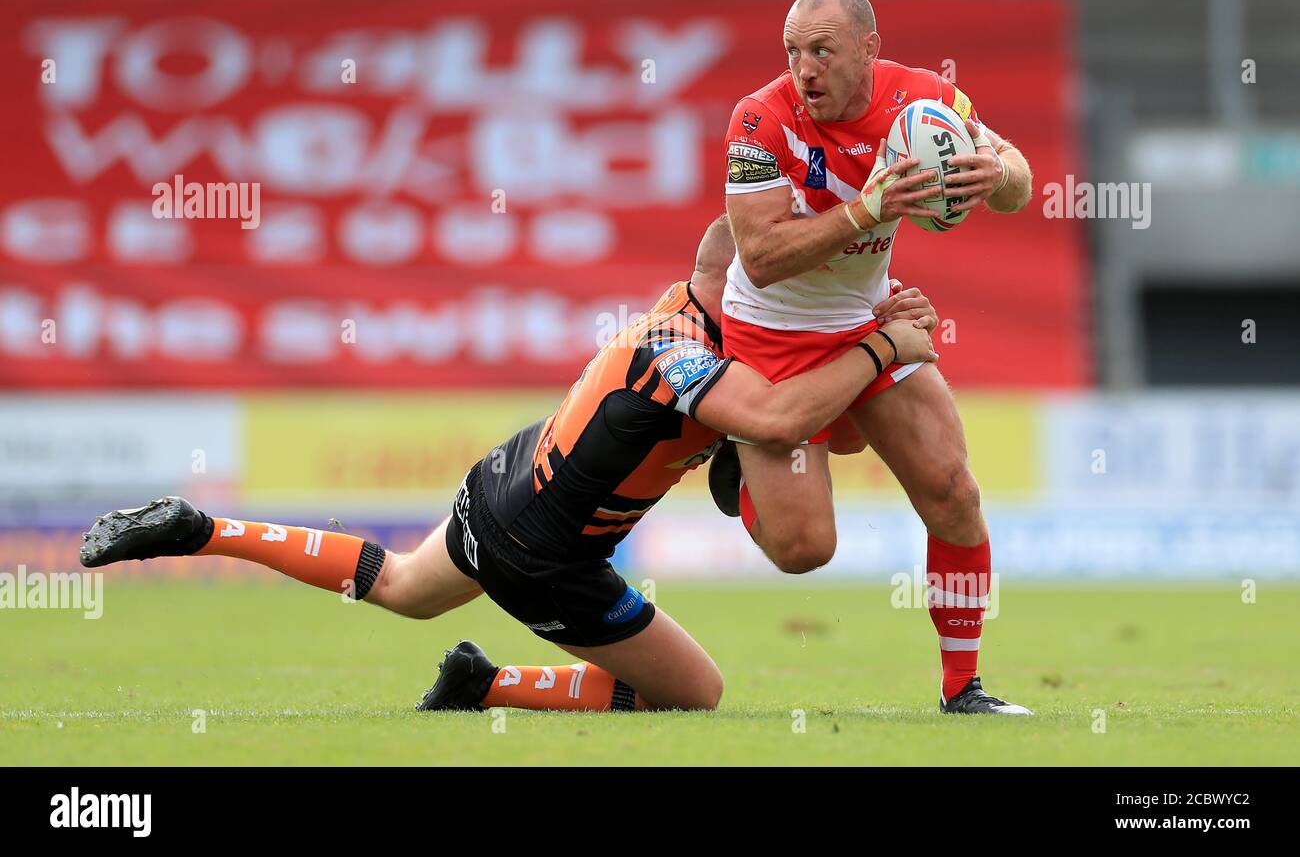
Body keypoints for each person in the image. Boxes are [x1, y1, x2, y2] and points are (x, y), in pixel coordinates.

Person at [79, 216, 938, 713]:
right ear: (744, 290)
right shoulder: (686, 356)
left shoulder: (684, 320)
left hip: (505, 477)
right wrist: (886, 342)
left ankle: (203, 528)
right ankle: (490, 684)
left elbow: (827, 428)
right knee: (697, 695)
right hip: (549, 553)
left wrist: (858, 340)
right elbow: (791, 418)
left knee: (403, 585)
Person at [715, 0, 1035, 714]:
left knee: (953, 491)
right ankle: (742, 463)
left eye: (822, 51)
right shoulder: (759, 120)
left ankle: (964, 689)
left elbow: (1015, 177)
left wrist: (999, 174)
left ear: (868, 50)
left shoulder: (925, 101)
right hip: (770, 341)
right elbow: (760, 256)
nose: (805, 70)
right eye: (793, 52)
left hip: (868, 321)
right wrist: (868, 207)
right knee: (804, 550)